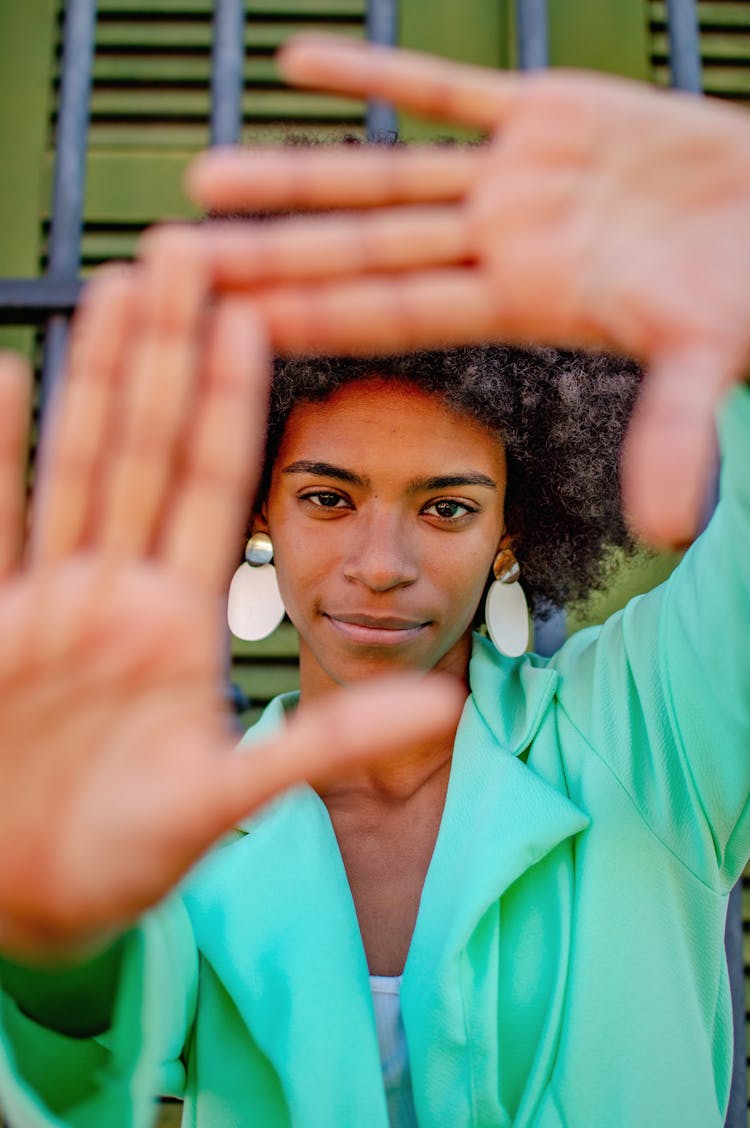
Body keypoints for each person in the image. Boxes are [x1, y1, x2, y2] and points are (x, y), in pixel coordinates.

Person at [0, 34, 748, 1128]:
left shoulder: (650, 736)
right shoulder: (177, 820)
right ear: (258, 507)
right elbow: (85, 1078)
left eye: (445, 508)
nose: (380, 566)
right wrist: (47, 955)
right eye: (327, 497)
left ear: (513, 530)